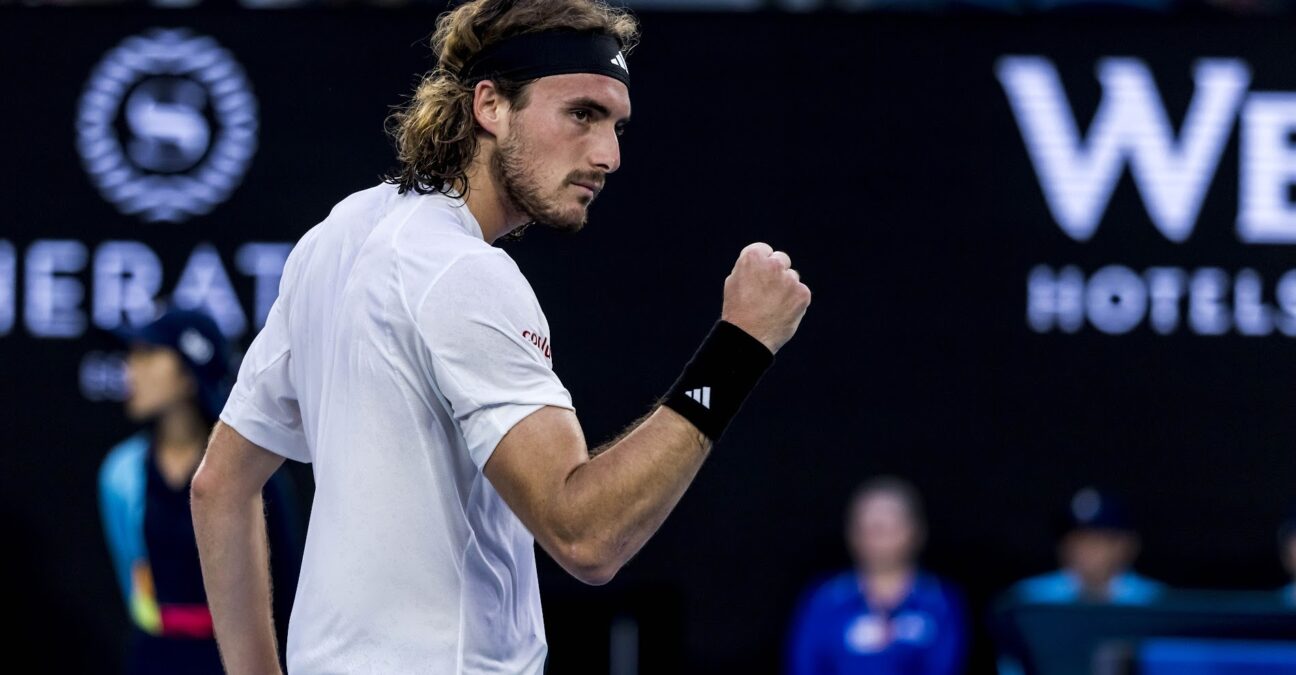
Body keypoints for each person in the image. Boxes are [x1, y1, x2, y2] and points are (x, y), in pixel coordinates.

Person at [189, 1, 813, 673]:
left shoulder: (339, 236)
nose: (608, 154)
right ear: (489, 104)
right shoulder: (464, 271)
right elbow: (586, 534)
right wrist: (740, 347)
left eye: (617, 125)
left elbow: (218, 484)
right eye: (580, 114)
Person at [98, 308, 301, 675]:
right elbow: (133, 575)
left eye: (148, 354)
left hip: (233, 661)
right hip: (152, 659)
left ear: (189, 372)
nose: (131, 368)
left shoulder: (255, 475)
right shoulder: (120, 473)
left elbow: (283, 588)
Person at [787, 477, 968, 675]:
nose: (877, 536)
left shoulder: (939, 600)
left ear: (917, 531)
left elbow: (947, 665)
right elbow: (803, 665)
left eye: (887, 526)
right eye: (868, 526)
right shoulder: (826, 598)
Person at [1011, 487, 1164, 605]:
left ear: (1126, 545)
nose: (1083, 550)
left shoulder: (1156, 601)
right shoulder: (1029, 598)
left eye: (1097, 541)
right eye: (1076, 540)